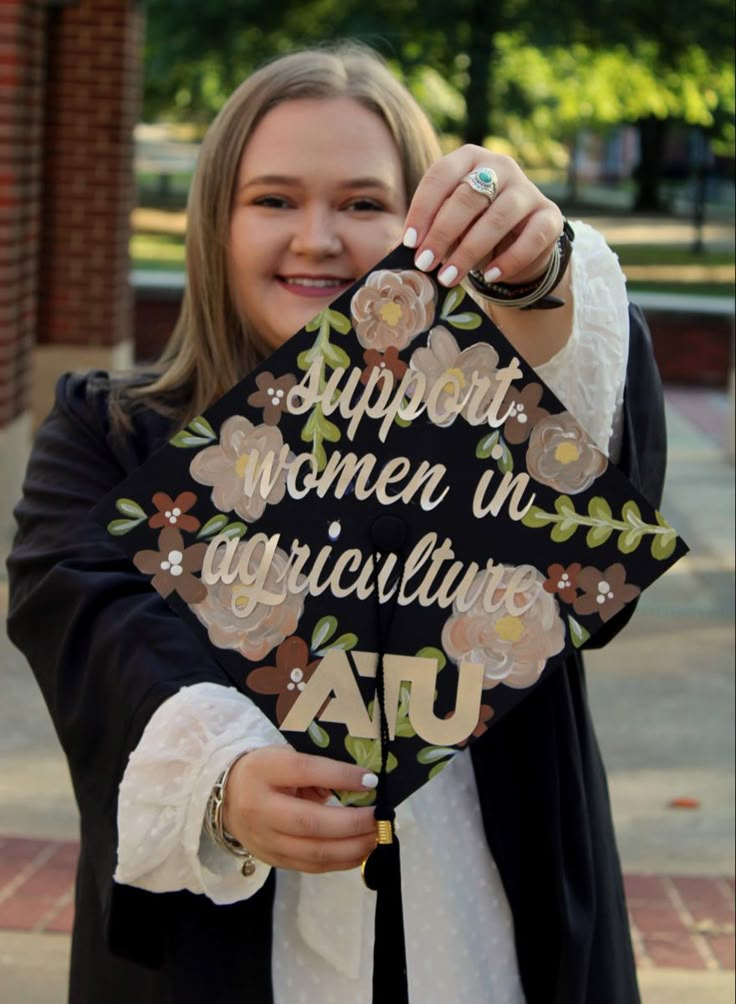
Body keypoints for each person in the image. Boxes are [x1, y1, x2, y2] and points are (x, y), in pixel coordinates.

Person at [7, 42, 666, 1004]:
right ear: (215, 225)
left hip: (492, 906)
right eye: (274, 200)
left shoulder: (482, 418)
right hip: (222, 947)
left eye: (363, 204)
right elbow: (90, 617)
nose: (317, 239)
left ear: (424, 224)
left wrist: (536, 283)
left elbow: (599, 531)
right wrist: (223, 773)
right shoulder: (114, 433)